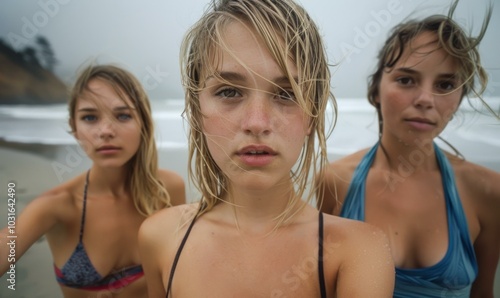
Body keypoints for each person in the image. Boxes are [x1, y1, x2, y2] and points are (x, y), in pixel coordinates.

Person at [138, 0, 395, 297]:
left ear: (312, 114)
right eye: (229, 91)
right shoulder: (159, 238)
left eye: (286, 93)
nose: (257, 123)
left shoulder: (358, 253)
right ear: (196, 110)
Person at [317, 1, 500, 297]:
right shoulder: (334, 181)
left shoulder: (487, 190)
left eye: (445, 85)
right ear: (375, 90)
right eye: (406, 80)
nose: (426, 99)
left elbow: (483, 293)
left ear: (458, 100)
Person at [0, 64, 186, 298]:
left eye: (123, 115)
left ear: (143, 124)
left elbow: (179, 274)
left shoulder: (168, 189)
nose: (105, 131)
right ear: (74, 128)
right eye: (90, 117)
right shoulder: (56, 206)